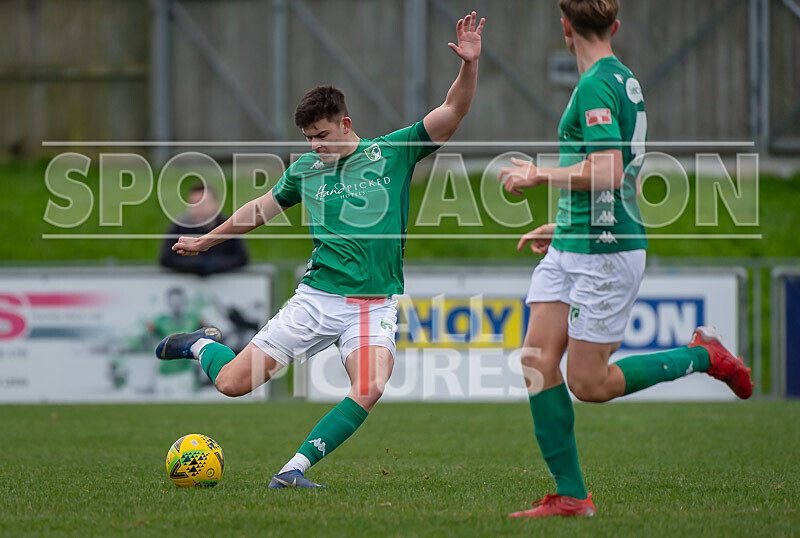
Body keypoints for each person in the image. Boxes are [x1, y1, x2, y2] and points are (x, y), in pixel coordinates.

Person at [154, 12, 486, 488]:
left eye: (322, 136)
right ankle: (200, 344)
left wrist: (469, 64)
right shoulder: (305, 171)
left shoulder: (392, 152)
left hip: (373, 305)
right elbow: (260, 209)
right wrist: (207, 238)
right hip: (317, 301)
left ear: (345, 124)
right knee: (231, 384)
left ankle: (293, 471)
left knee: (370, 386)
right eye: (308, 138)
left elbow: (452, 111)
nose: (315, 146)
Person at [497, 0, 753, 518]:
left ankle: (703, 355)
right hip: (577, 242)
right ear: (614, 26)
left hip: (606, 251)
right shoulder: (621, 79)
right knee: (536, 361)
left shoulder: (596, 85)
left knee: (588, 384)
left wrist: (538, 175)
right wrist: (564, 226)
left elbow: (610, 172)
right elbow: (620, 178)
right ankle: (572, 496)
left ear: (565, 27)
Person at [159, 184, 249, 276]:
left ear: (216, 204)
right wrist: (197, 264)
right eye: (193, 203)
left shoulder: (227, 226)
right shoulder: (179, 227)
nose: (198, 208)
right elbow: (166, 258)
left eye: (202, 203)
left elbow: (241, 258)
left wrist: (217, 264)